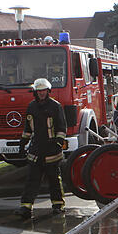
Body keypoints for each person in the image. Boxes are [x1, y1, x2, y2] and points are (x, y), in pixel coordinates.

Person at [19, 77, 68, 218]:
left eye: (44, 91)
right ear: (35, 92)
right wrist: (23, 142)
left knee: (54, 180)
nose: (41, 93)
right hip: (36, 149)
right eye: (39, 91)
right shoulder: (31, 107)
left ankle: (58, 205)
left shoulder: (55, 106)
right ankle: (26, 207)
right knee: (32, 179)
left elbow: (62, 127)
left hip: (52, 150)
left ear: (48, 91)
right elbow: (28, 128)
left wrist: (58, 142)